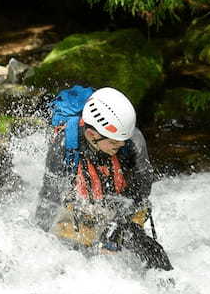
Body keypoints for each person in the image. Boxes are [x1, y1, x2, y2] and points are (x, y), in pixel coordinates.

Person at [34, 86, 172, 271]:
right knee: (75, 251)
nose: (122, 145)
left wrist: (119, 224)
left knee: (147, 249)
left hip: (122, 203)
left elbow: (141, 192)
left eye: (123, 140)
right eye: (114, 142)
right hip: (83, 204)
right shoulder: (63, 146)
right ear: (92, 135)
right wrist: (38, 238)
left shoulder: (132, 141)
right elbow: (49, 198)